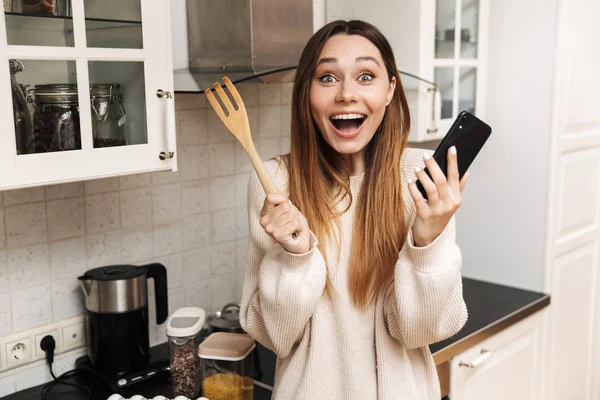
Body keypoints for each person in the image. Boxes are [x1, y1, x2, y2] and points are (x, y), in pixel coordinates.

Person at [240, 19, 469, 399]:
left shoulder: (421, 177)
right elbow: (275, 337)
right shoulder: (275, 182)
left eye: (366, 76)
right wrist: (295, 256)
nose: (347, 94)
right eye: (327, 78)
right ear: (306, 94)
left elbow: (417, 331)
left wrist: (427, 241)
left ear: (391, 88)